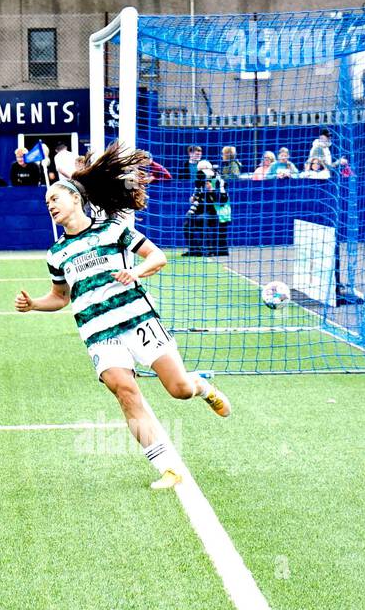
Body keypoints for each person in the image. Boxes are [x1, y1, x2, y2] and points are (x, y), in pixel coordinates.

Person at [14, 142, 232, 491]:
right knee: (125, 391)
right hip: (99, 334)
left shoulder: (112, 230)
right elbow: (59, 297)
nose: (50, 205)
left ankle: (202, 387)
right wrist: (33, 305)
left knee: (178, 389)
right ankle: (167, 467)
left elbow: (157, 257)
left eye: (55, 198)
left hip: (138, 321)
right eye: (47, 203)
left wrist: (137, 272)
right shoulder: (56, 254)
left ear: (75, 198)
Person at [183, 160, 229, 256]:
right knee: (187, 222)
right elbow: (197, 197)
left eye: (203, 169)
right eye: (200, 169)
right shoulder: (199, 181)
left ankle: (208, 249)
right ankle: (194, 249)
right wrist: (193, 199)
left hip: (216, 212)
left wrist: (211, 190)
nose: (201, 171)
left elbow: (223, 201)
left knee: (202, 219)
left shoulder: (218, 181)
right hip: (202, 209)